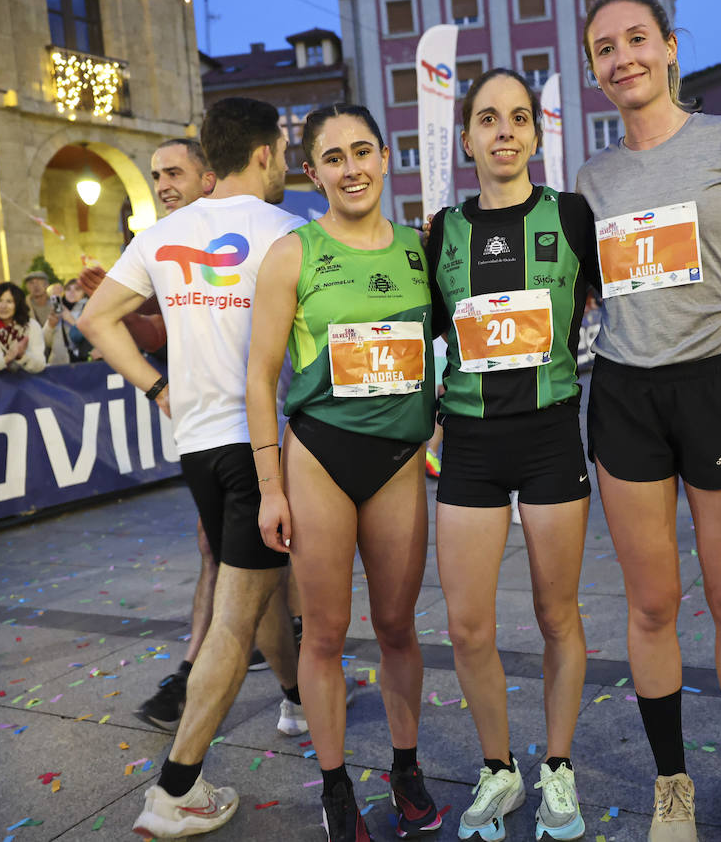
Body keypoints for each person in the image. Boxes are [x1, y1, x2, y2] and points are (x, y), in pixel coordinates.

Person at [577, 0, 721, 842]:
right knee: (651, 606)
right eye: (605, 48)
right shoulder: (589, 181)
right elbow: (578, 295)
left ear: (670, 47)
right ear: (594, 71)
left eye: (637, 39)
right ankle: (672, 783)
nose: (623, 57)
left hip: (717, 392)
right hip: (625, 399)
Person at [79, 97, 303, 839]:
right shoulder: (290, 231)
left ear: (212, 155)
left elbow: (95, 318)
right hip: (262, 445)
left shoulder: (164, 234)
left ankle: (297, 695)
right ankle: (177, 787)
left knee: (261, 588)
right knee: (236, 620)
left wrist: (158, 388)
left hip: (198, 446)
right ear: (267, 152)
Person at [245, 103, 441, 842]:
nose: (351, 168)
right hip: (321, 456)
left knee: (396, 626)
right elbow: (260, 377)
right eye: (334, 157)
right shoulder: (293, 254)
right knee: (324, 633)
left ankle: (406, 767)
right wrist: (270, 487)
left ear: (387, 158)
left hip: (397, 461)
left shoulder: (423, 250)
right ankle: (334, 788)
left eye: (363, 151)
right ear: (311, 171)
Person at [424, 68, 598, 842]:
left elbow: (636, 296)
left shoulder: (573, 215)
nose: (504, 131)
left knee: (556, 614)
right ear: (466, 138)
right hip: (469, 444)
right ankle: (500, 771)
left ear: (535, 133)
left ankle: (557, 766)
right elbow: (425, 334)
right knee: (467, 628)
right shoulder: (442, 230)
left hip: (553, 434)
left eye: (518, 118)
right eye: (488, 119)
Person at [23, 270, 69, 365]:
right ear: (27, 287)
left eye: (40, 282)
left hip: (54, 343)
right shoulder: (23, 305)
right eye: (31, 283)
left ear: (47, 284)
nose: (36, 286)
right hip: (32, 345)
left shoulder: (55, 301)